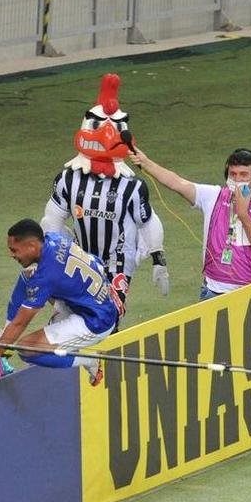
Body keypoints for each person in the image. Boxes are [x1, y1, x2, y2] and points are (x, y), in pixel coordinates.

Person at [42, 73, 168, 326]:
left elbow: (148, 221)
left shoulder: (132, 186)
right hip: (79, 258)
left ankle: (100, 359)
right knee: (70, 314)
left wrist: (158, 259)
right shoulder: (68, 179)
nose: (108, 135)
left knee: (106, 318)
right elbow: (52, 219)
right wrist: (49, 257)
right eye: (99, 126)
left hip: (118, 262)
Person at [0, 219, 120, 388]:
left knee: (27, 348)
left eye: (14, 250)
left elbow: (21, 323)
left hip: (95, 321)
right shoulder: (54, 238)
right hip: (91, 299)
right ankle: (2, 338)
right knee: (27, 276)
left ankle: (89, 360)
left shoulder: (46, 275)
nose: (11, 255)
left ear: (31, 246)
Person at [130, 146, 251, 300]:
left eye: (244, 175)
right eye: (233, 174)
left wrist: (242, 214)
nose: (238, 180)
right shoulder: (214, 196)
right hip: (211, 291)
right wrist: (146, 163)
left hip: (250, 292)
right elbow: (177, 183)